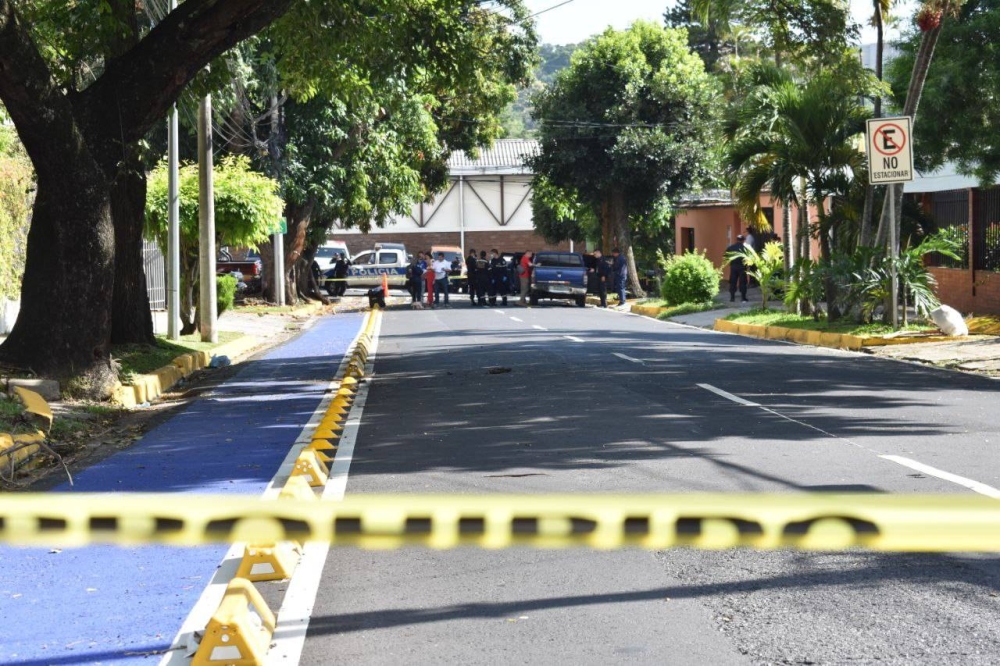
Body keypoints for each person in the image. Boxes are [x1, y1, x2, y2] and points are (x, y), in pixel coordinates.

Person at [726, 235, 749, 303]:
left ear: (737, 239)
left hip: (733, 267)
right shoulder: (745, 248)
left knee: (733, 282)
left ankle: (732, 298)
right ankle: (743, 298)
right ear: (742, 240)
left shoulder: (730, 247)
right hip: (742, 267)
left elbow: (726, 256)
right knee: (743, 282)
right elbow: (748, 258)